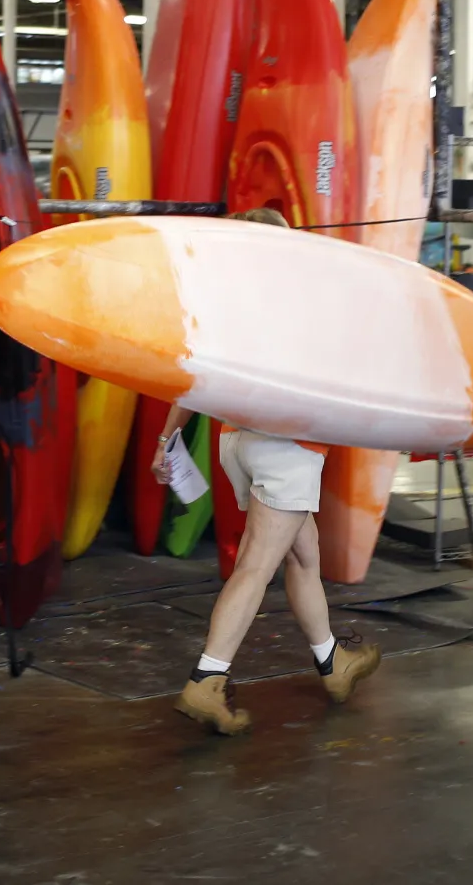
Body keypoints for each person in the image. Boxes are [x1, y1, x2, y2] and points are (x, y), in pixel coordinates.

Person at [153, 208, 381, 735]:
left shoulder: (222, 305)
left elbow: (194, 381)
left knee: (304, 556)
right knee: (256, 567)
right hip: (288, 450)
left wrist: (166, 441)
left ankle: (333, 664)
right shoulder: (301, 306)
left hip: (235, 442)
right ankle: (206, 680)